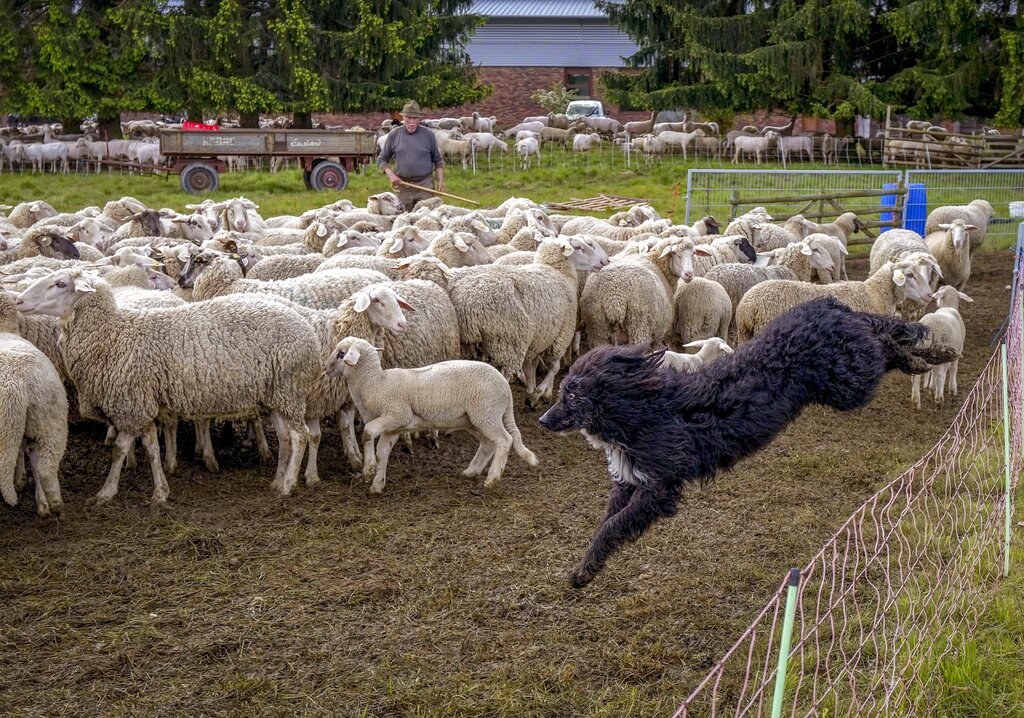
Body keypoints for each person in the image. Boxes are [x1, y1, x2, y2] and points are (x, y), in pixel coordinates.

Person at [377, 100, 445, 212]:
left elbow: (438, 160)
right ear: (403, 117)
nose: (412, 122)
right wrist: (392, 175)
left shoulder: (428, 135)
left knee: (426, 220)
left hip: (425, 186)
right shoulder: (394, 135)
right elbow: (382, 160)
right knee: (402, 220)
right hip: (403, 186)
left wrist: (441, 181)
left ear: (419, 119)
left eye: (415, 119)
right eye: (409, 118)